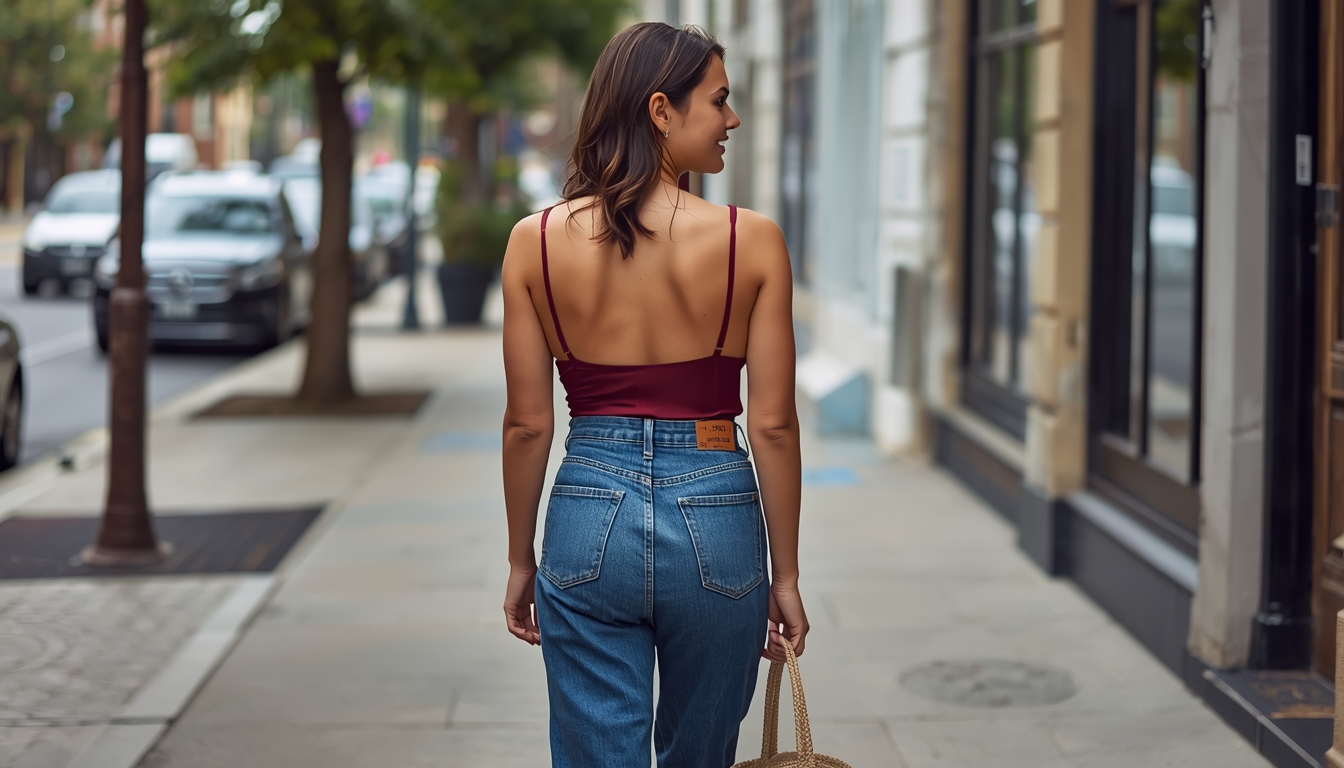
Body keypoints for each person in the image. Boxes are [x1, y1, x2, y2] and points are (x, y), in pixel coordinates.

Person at [500, 22, 808, 768]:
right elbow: (771, 424)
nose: (733, 120)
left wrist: (519, 561)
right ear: (661, 110)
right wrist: (788, 575)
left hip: (586, 511)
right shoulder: (752, 240)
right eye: (721, 102)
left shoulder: (533, 242)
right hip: (718, 513)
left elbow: (527, 426)